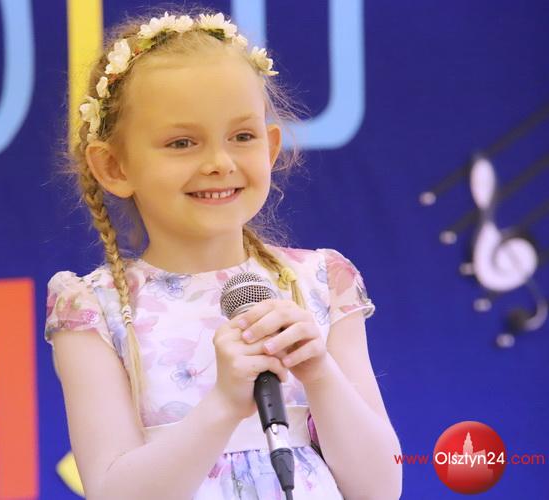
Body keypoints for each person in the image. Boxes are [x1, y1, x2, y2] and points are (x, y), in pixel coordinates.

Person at [44, 8, 402, 499]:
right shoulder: (94, 309)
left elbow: (381, 487)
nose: (219, 162)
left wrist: (319, 371)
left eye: (242, 137)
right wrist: (224, 404)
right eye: (182, 142)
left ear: (270, 149)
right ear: (114, 166)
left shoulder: (321, 281)